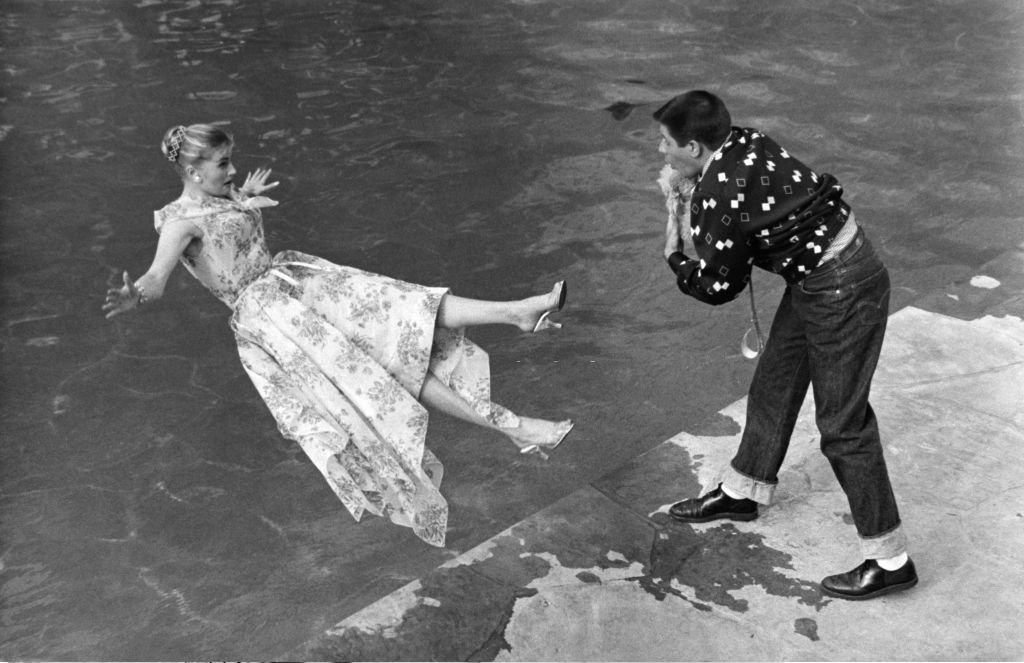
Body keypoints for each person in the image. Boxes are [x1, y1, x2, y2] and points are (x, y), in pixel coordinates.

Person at [103, 123, 573, 547]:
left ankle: (517, 316)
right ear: (192, 170)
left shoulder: (219, 194)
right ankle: (516, 423)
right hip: (278, 322)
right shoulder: (177, 222)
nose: (233, 170)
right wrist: (134, 297)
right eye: (224, 163)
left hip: (301, 282)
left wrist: (241, 193)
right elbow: (156, 279)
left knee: (409, 313)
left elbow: (227, 222)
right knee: (392, 380)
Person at [653, 91, 917, 600]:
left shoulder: (719, 192)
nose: (659, 151)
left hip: (841, 284)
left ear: (691, 148)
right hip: (823, 268)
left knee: (842, 425)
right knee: (775, 380)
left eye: (665, 142)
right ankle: (743, 490)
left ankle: (890, 559)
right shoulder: (745, 141)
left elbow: (717, 288)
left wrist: (675, 256)